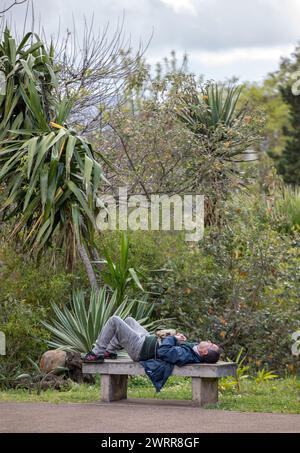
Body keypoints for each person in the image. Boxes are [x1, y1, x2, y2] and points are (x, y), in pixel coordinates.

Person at [82, 316, 220, 391]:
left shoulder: (187, 356)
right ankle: (109, 351)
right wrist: (179, 339)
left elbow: (164, 351)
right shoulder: (194, 350)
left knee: (115, 321)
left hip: (140, 349)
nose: (208, 341)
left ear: (205, 351)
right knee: (129, 320)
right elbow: (173, 347)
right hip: (146, 341)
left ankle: (97, 353)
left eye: (211, 344)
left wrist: (173, 338)